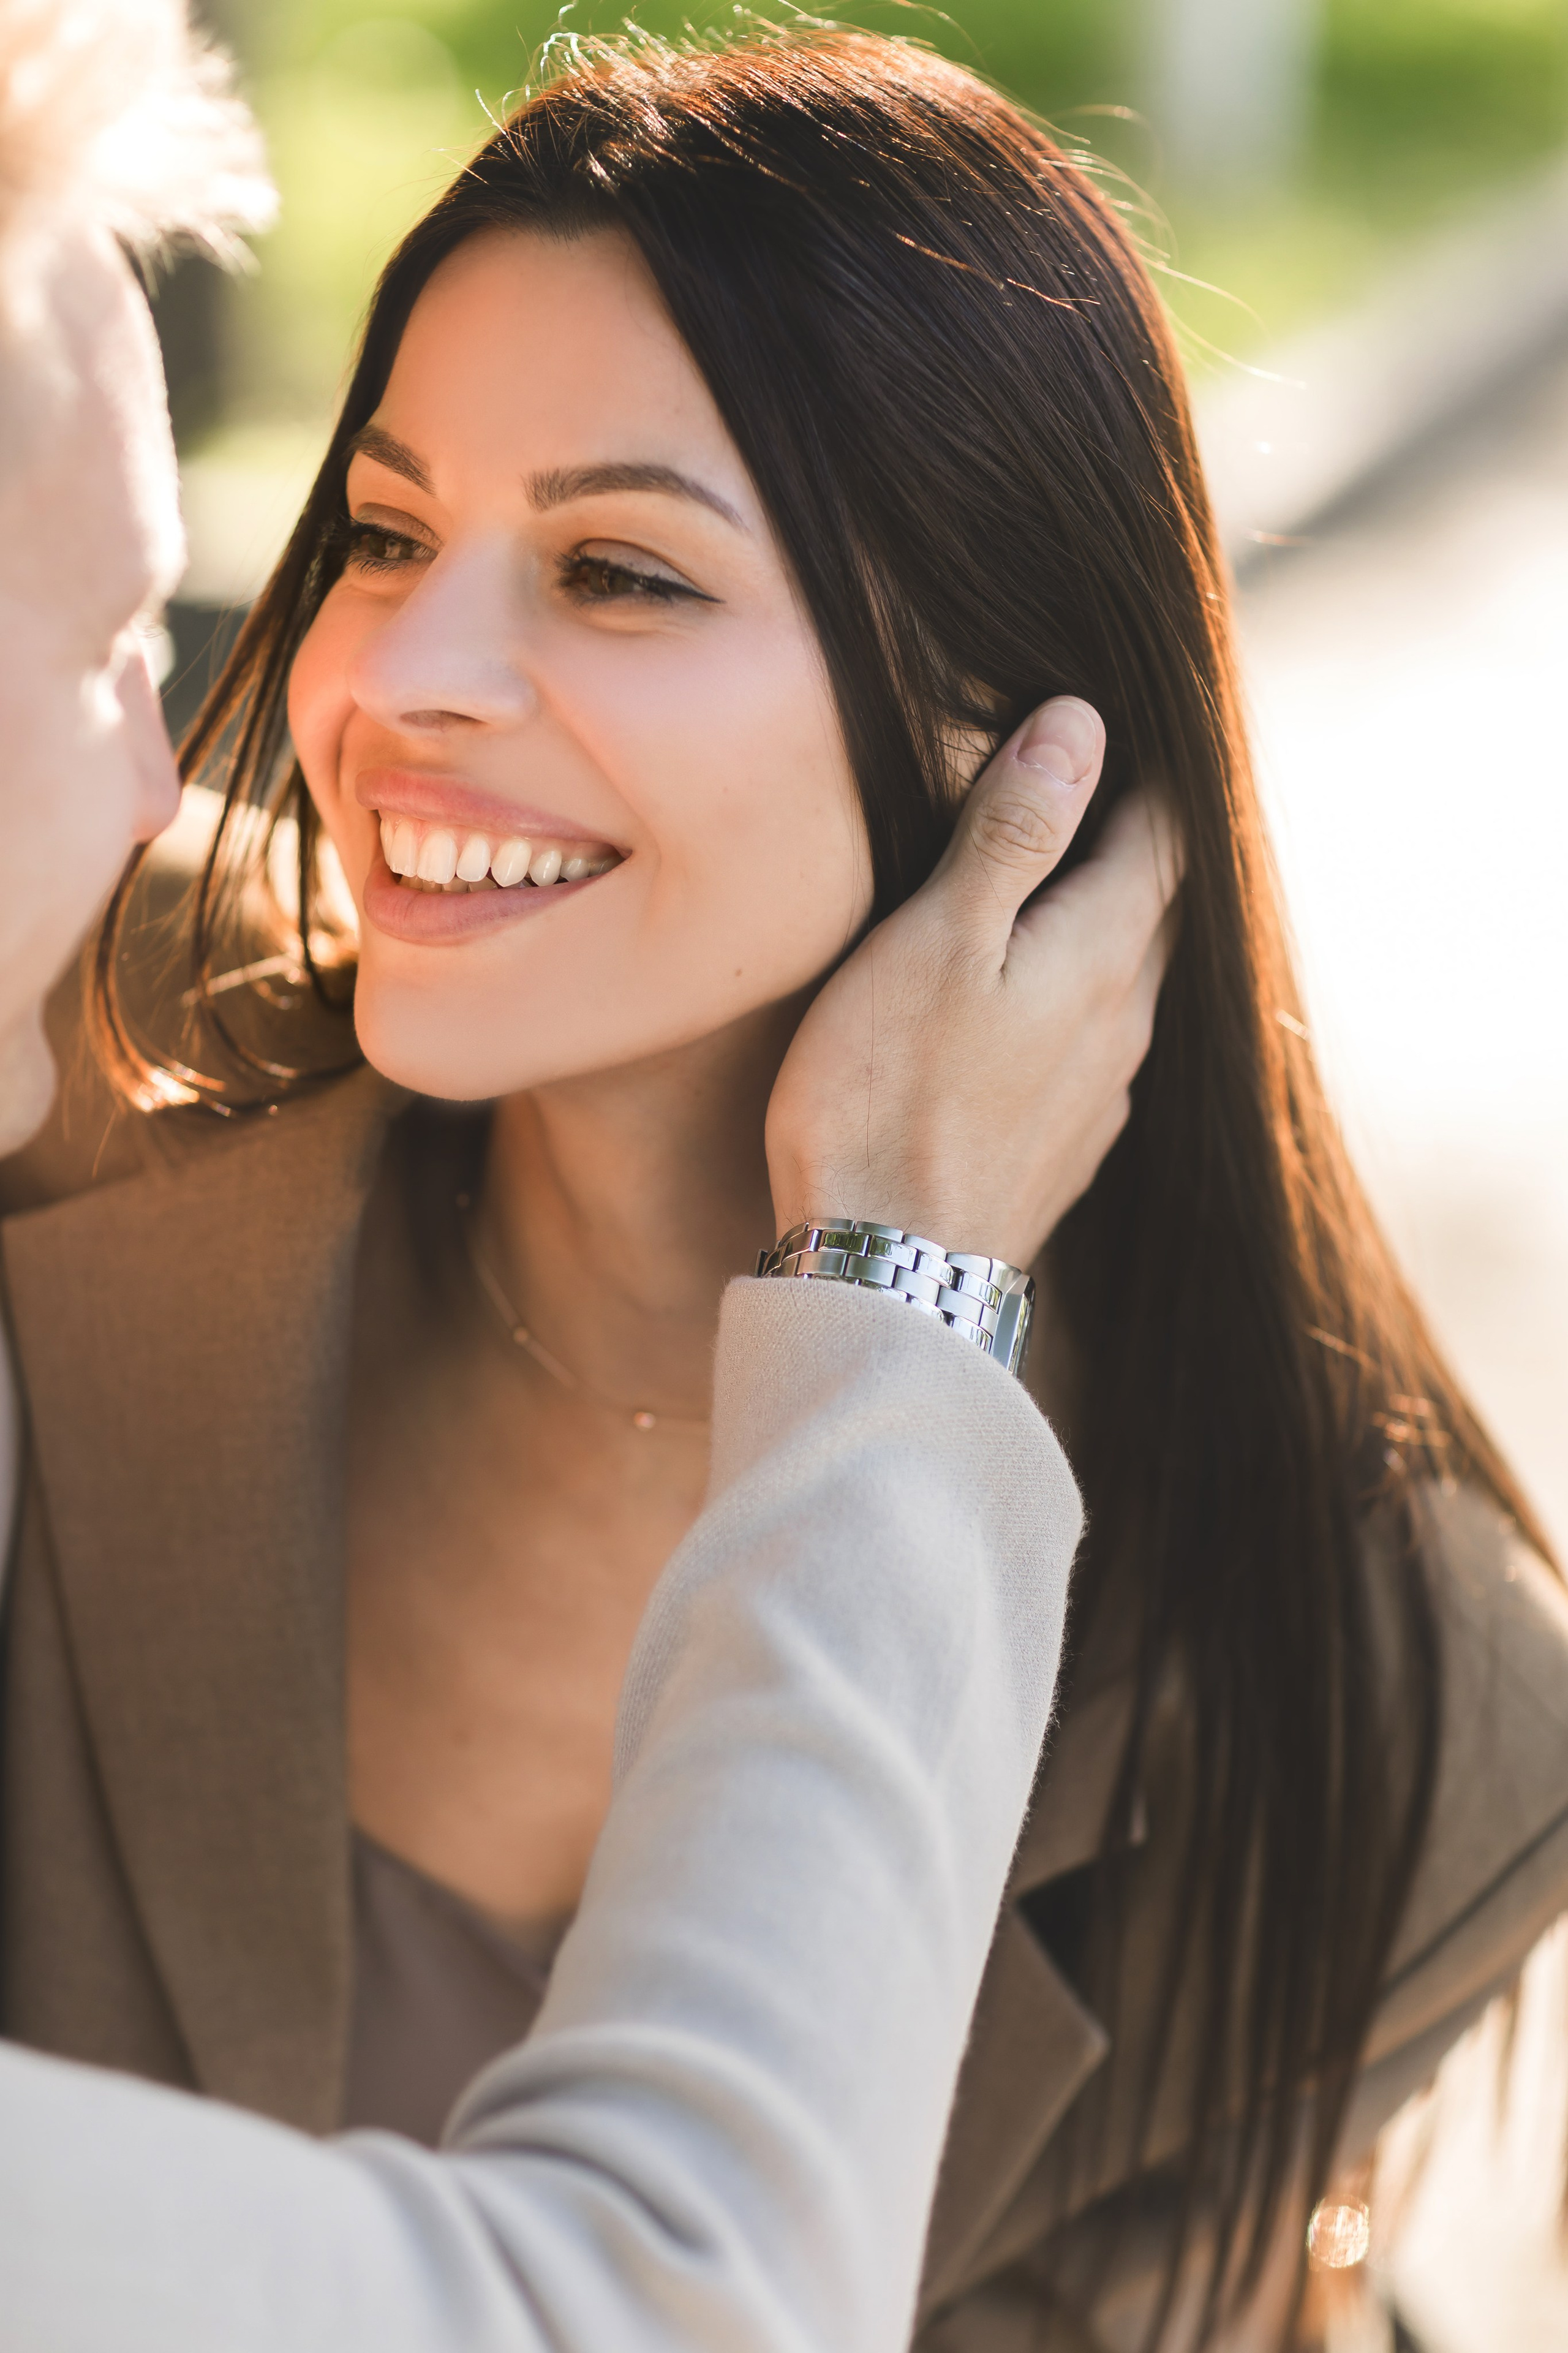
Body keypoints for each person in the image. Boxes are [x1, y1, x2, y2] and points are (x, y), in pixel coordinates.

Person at [4, 20, 1565, 2352]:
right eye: (390, 530)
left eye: (620, 571)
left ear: (1021, 737)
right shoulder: (63, 1078)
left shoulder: (1391, 1700)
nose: (395, 676)